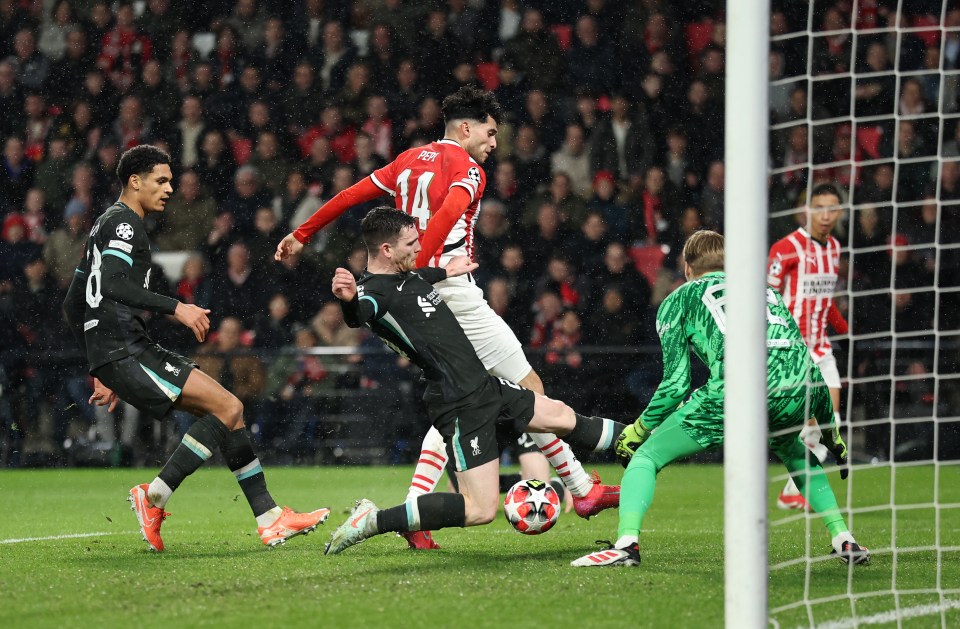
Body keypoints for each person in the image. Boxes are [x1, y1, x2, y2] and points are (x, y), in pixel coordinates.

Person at [276, 87, 618, 549]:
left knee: (458, 399)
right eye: (490, 132)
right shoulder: (467, 168)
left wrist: (302, 232)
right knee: (530, 389)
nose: (494, 144)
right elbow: (452, 209)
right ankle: (580, 489)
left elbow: (350, 195)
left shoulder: (406, 160)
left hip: (416, 287)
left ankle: (420, 512)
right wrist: (424, 267)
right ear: (465, 127)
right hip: (446, 287)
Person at [62, 145, 328, 551]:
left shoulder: (103, 225)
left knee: (228, 411)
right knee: (229, 408)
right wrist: (177, 308)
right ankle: (155, 497)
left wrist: (99, 363)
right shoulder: (125, 225)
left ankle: (269, 517)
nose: (169, 189)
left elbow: (72, 305)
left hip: (122, 350)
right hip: (127, 349)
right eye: (161, 180)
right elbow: (114, 286)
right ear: (134, 181)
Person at [324, 207, 626, 555]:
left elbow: (419, 274)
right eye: (411, 242)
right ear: (387, 250)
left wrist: (445, 270)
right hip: (459, 403)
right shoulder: (374, 293)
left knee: (560, 415)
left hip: (483, 386)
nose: (418, 246)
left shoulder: (407, 275)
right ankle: (373, 521)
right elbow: (360, 314)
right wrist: (347, 301)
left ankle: (640, 442)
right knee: (481, 510)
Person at [571, 230, 869, 567]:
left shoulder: (679, 299)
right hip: (796, 388)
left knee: (646, 457)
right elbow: (805, 363)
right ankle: (844, 538)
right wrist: (831, 432)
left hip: (738, 392)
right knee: (793, 449)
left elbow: (676, 383)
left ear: (687, 268)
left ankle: (626, 545)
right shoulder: (767, 292)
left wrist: (638, 430)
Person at [768, 183, 849, 511]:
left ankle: (791, 490)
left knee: (830, 423)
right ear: (807, 210)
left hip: (822, 347)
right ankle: (793, 485)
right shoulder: (785, 248)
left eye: (832, 208)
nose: (825, 215)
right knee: (811, 424)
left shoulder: (835, 249)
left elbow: (825, 300)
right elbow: (767, 297)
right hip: (793, 349)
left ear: (840, 212)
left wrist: (845, 329)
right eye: (819, 208)